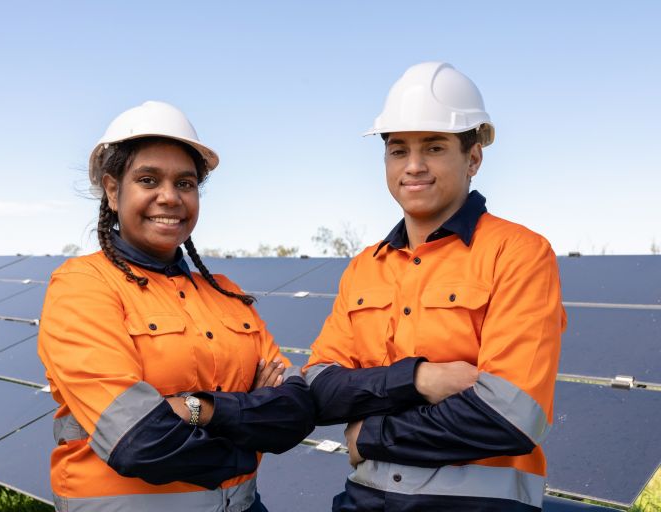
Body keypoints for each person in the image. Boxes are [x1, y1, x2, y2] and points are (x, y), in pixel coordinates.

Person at [306, 62, 566, 511]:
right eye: (397, 150)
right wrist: (419, 379)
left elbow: (509, 417)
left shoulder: (518, 253)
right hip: (364, 501)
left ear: (474, 158)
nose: (414, 166)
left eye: (434, 147)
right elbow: (319, 388)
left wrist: (370, 433)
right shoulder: (364, 267)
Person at [37, 101, 314, 511]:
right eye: (148, 180)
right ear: (113, 191)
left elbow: (296, 409)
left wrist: (194, 408)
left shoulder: (226, 293)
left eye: (185, 184)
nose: (169, 197)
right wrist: (247, 430)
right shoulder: (83, 287)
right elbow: (140, 442)